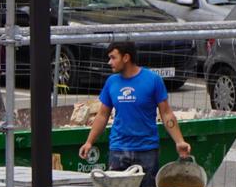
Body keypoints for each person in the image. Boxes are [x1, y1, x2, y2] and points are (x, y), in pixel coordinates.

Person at [80, 40, 192, 176]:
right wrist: (89, 142)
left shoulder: (153, 80)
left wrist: (179, 141)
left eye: (113, 58)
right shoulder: (111, 82)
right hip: (118, 150)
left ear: (126, 58)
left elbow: (166, 113)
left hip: (147, 151)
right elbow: (102, 115)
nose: (109, 62)